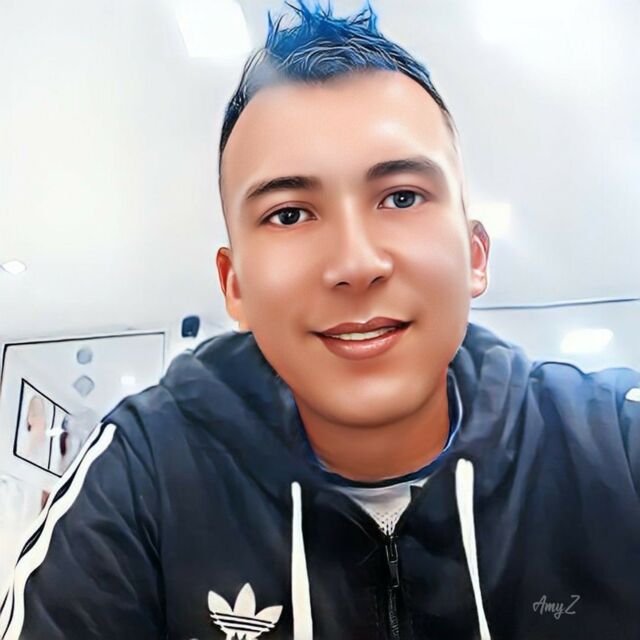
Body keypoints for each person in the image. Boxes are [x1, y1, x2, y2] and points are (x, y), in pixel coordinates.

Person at [2, 2, 639, 638]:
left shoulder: (613, 447)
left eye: (402, 197)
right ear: (235, 286)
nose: (356, 264)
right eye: (289, 214)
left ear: (475, 255)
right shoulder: (142, 476)